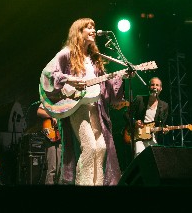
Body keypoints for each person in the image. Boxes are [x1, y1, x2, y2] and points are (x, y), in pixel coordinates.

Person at [39, 18, 127, 186]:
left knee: (101, 147)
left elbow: (104, 85)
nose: (93, 29)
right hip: (76, 106)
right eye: (88, 27)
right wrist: (69, 79)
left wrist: (120, 78)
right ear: (79, 32)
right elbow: (48, 74)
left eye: (93, 26)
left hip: (95, 106)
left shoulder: (95, 58)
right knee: (89, 147)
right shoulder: (67, 53)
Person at [129, 77, 169, 157]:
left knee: (154, 159)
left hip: (152, 137)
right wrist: (135, 122)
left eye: (157, 85)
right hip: (138, 136)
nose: (154, 87)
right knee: (139, 157)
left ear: (160, 88)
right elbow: (126, 114)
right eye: (152, 85)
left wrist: (164, 130)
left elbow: (161, 126)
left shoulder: (164, 106)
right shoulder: (139, 99)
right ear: (148, 87)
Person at [36, 104, 62, 184]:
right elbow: (39, 111)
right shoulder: (50, 98)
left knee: (60, 170)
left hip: (62, 136)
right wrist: (52, 116)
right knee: (52, 168)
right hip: (52, 135)